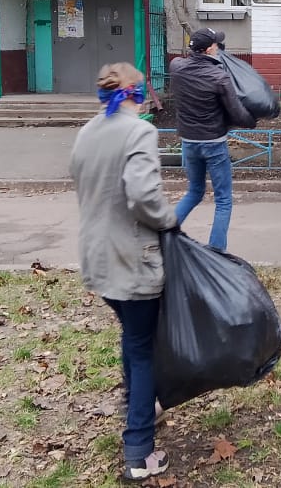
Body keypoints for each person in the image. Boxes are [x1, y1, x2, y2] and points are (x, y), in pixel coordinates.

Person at [69, 62, 176, 482]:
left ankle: (140, 407)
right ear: (135, 92)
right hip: (133, 258)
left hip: (97, 257)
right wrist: (168, 220)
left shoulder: (88, 131)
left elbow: (81, 181)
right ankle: (140, 453)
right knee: (143, 349)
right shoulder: (139, 132)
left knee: (133, 340)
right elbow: (143, 195)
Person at [169, 27, 255, 251]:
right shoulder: (219, 77)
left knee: (194, 191)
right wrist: (252, 119)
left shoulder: (176, 68)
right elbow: (236, 112)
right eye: (216, 44)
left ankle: (165, 234)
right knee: (223, 200)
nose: (218, 47)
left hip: (189, 142)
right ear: (209, 50)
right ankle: (217, 252)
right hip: (214, 145)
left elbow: (183, 62)